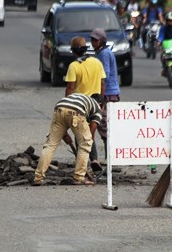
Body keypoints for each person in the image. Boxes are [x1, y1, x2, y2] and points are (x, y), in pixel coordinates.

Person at [32, 93, 103, 186]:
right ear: (101, 104)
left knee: (50, 145)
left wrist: (65, 135)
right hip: (76, 111)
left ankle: (38, 178)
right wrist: (87, 141)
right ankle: (79, 177)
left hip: (59, 108)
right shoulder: (97, 108)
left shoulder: (83, 99)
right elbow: (92, 131)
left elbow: (63, 119)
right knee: (85, 145)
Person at [65, 36, 106, 168]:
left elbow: (70, 87)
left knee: (79, 133)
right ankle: (94, 159)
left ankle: (81, 162)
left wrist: (67, 104)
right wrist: (101, 101)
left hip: (80, 104)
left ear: (74, 51)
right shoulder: (96, 62)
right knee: (89, 132)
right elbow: (102, 83)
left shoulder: (74, 66)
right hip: (95, 103)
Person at [90, 28, 120, 162]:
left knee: (103, 123)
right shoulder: (103, 52)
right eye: (92, 39)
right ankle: (109, 156)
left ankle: (110, 156)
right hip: (109, 92)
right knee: (105, 123)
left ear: (101, 41)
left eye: (95, 40)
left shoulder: (104, 54)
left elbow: (105, 75)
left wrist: (100, 95)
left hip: (108, 93)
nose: (93, 42)